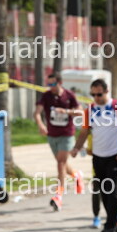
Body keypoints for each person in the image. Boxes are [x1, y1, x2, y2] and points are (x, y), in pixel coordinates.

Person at [70, 79, 117, 232]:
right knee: (104, 191)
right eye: (93, 95)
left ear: (107, 91)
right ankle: (114, 220)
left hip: (115, 156)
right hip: (98, 156)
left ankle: (110, 226)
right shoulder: (90, 110)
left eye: (99, 94)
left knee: (111, 190)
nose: (96, 98)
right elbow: (84, 132)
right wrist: (76, 147)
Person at [34, 73, 84, 211]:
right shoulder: (46, 96)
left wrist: (66, 111)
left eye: (53, 83)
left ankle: (58, 196)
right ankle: (76, 175)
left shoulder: (69, 95)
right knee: (62, 163)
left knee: (60, 163)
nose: (50, 86)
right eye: (48, 84)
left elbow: (80, 112)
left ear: (60, 83)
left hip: (66, 134)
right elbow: (37, 112)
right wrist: (41, 125)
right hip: (52, 135)